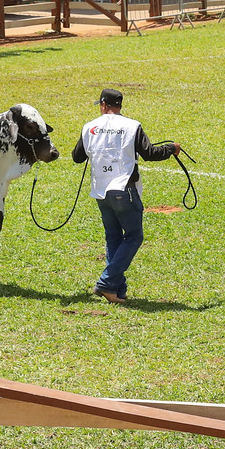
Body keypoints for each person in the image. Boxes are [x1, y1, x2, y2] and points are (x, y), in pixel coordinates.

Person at [71, 88, 183, 304]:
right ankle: (106, 283)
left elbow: (77, 157)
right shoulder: (132, 126)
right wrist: (171, 148)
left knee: (113, 237)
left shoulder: (89, 127)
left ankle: (116, 290)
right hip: (125, 190)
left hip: (101, 192)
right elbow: (150, 154)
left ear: (103, 105)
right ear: (119, 105)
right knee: (133, 236)